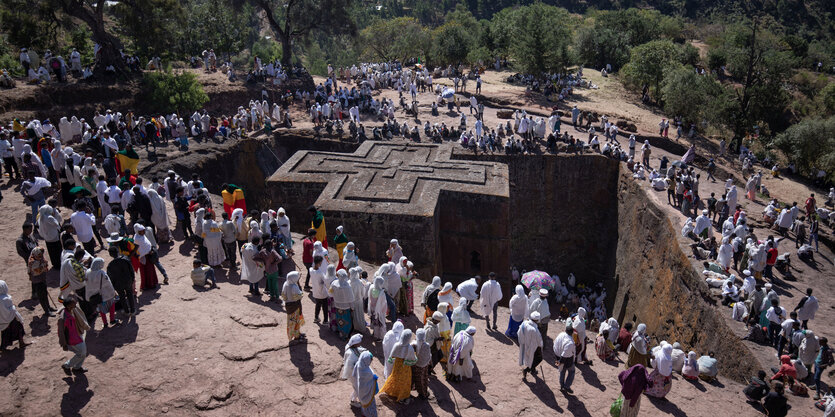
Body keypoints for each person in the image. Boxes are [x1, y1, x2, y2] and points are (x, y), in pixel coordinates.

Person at [85, 257, 119, 329]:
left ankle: (105, 323)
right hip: (106, 294)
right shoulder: (101, 273)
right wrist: (113, 292)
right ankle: (112, 320)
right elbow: (108, 283)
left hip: (96, 295)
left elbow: (87, 284)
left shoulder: (87, 272)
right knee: (111, 305)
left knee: (101, 309)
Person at [58, 296, 90, 374]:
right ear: (68, 306)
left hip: (78, 333)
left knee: (82, 353)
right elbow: (61, 332)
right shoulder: (63, 318)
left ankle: (77, 367)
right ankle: (68, 365)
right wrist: (64, 343)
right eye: (73, 303)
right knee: (81, 353)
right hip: (72, 338)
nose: (75, 303)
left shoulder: (73, 309)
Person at [107, 246, 136, 317]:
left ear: (110, 254)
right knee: (130, 294)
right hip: (128, 281)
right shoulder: (126, 259)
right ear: (118, 252)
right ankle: (133, 310)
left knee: (122, 297)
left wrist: (114, 286)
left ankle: (126, 311)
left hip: (118, 284)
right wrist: (132, 279)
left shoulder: (110, 265)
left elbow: (110, 277)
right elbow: (131, 270)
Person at [0, 280, 28, 350]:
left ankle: (3, 347)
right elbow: (9, 310)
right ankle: (21, 343)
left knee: (5, 334)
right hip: (11, 318)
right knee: (19, 328)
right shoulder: (5, 298)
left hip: (2, 321)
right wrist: (13, 308)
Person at [341, 334, 367, 406]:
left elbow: (358, 349)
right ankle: (353, 401)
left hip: (355, 372)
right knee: (357, 387)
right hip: (353, 373)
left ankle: (353, 399)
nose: (360, 344)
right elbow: (350, 366)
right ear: (355, 344)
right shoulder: (351, 355)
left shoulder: (350, 346)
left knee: (357, 387)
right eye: (359, 343)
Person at [27, 247, 54, 316]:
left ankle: (48, 307)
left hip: (42, 278)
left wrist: (44, 265)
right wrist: (43, 266)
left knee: (45, 293)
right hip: (38, 281)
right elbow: (37, 271)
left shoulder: (38, 257)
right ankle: (46, 311)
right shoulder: (33, 262)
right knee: (41, 296)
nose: (41, 256)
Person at [281, 271, 306, 344]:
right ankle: (297, 336)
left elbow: (283, 295)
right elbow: (299, 296)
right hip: (295, 306)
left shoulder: (286, 284)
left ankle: (295, 334)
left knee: (291, 321)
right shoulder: (294, 287)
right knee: (296, 321)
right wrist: (299, 286)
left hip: (288, 305)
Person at [330, 269, 355, 339]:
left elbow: (330, 293)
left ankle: (341, 334)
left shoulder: (334, 283)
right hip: (346, 308)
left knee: (340, 320)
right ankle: (346, 335)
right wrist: (352, 308)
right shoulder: (348, 286)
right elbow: (351, 299)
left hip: (337, 306)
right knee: (346, 321)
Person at [352, 351, 378, 417]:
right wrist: (374, 379)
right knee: (370, 406)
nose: (371, 362)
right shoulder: (368, 372)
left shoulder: (358, 364)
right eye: (370, 360)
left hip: (360, 391)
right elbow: (372, 383)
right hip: (368, 393)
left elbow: (354, 375)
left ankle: (364, 414)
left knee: (364, 405)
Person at [518, 311, 543, 378]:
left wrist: (522, 342)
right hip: (532, 347)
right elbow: (539, 341)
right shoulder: (535, 330)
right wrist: (540, 347)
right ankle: (527, 369)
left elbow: (519, 333)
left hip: (524, 344)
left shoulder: (524, 323)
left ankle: (532, 369)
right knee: (539, 358)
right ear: (537, 320)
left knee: (530, 358)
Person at [133, 224, 158, 290]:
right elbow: (139, 249)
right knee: (146, 272)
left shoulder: (142, 236)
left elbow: (146, 245)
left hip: (148, 256)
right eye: (142, 231)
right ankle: (147, 285)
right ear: (138, 231)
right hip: (144, 258)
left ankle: (152, 283)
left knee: (151, 270)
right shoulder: (137, 239)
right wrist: (147, 252)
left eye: (143, 230)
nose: (143, 232)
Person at [553, 323, 576, 393]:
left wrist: (558, 361)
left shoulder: (561, 334)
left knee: (561, 371)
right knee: (572, 371)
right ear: (572, 333)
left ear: (565, 330)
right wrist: (560, 362)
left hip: (558, 355)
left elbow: (555, 344)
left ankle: (562, 386)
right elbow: (565, 355)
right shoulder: (570, 342)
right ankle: (566, 386)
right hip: (566, 359)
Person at [412, 328, 431, 399]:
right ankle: (423, 393)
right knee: (422, 379)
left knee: (414, 378)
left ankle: (412, 389)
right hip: (423, 366)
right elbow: (429, 356)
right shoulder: (427, 345)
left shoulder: (413, 344)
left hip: (415, 365)